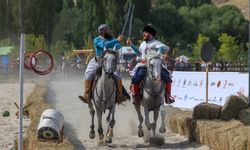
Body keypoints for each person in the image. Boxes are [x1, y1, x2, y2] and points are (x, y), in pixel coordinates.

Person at [79, 24, 129, 104]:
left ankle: (120, 95)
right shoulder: (97, 39)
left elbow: (118, 46)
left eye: (106, 30)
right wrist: (116, 40)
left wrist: (118, 42)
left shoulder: (111, 39)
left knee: (118, 77)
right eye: (103, 30)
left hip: (109, 61)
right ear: (100, 31)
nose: (105, 31)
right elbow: (104, 45)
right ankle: (86, 94)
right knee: (88, 75)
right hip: (98, 61)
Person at [126, 24, 174, 105]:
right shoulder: (142, 44)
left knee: (167, 77)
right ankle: (137, 97)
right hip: (144, 65)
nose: (143, 34)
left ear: (151, 34)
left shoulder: (156, 43)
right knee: (136, 79)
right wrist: (131, 45)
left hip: (155, 65)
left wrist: (159, 51)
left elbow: (166, 48)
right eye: (143, 32)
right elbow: (139, 52)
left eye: (146, 32)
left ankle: (168, 96)